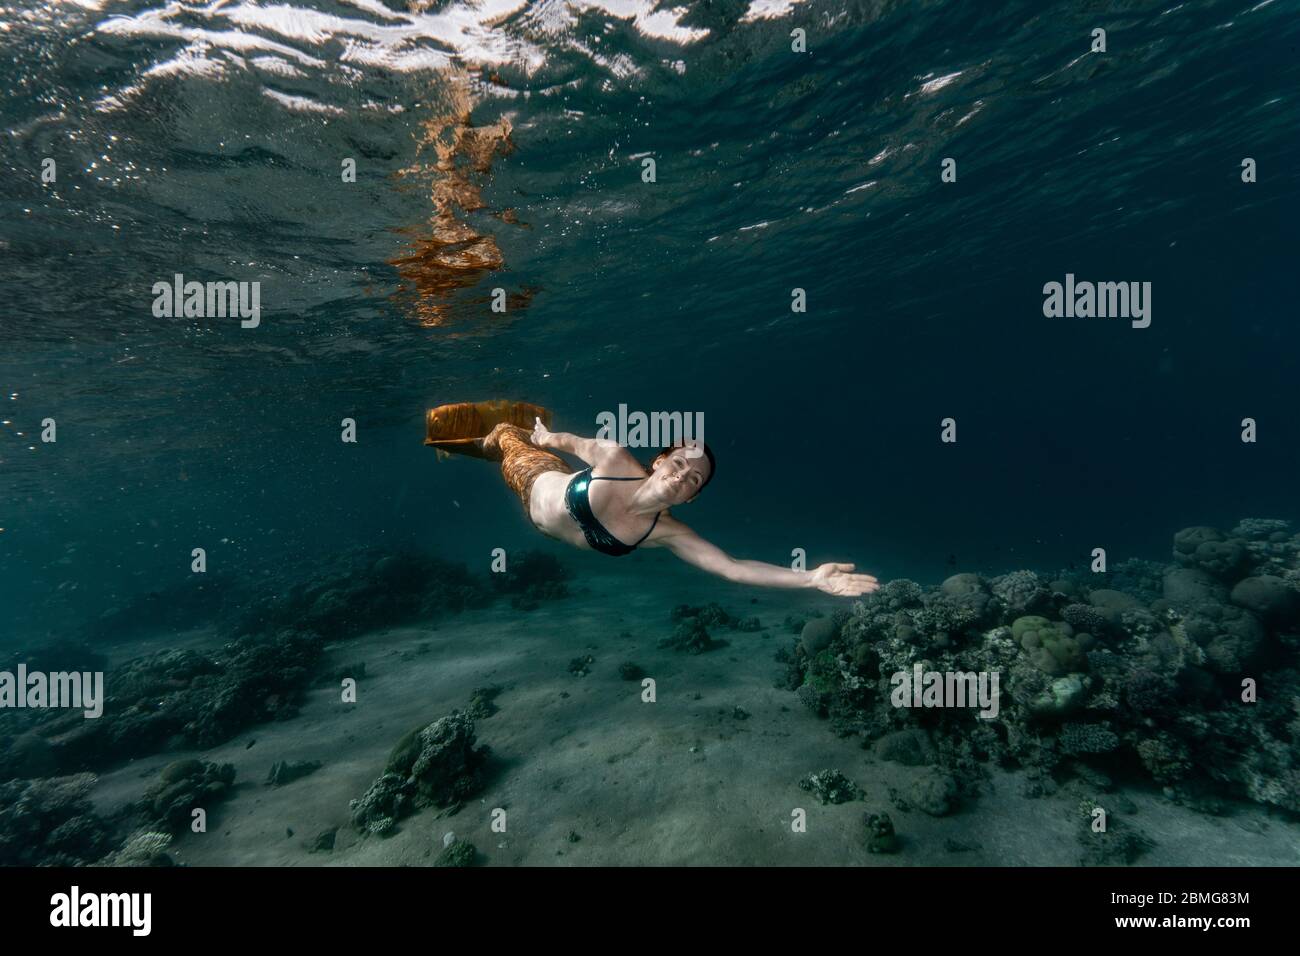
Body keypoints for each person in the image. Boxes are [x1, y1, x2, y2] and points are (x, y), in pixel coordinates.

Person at [433, 405, 878, 597]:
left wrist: (811, 579)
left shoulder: (666, 532)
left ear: (691, 498)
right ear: (659, 461)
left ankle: (497, 441)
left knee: (514, 449)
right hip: (535, 478)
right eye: (680, 463)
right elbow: (574, 442)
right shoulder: (615, 458)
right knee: (511, 446)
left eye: (694, 479)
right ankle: (501, 436)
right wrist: (547, 437)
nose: (683, 475)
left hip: (540, 527)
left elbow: (734, 567)